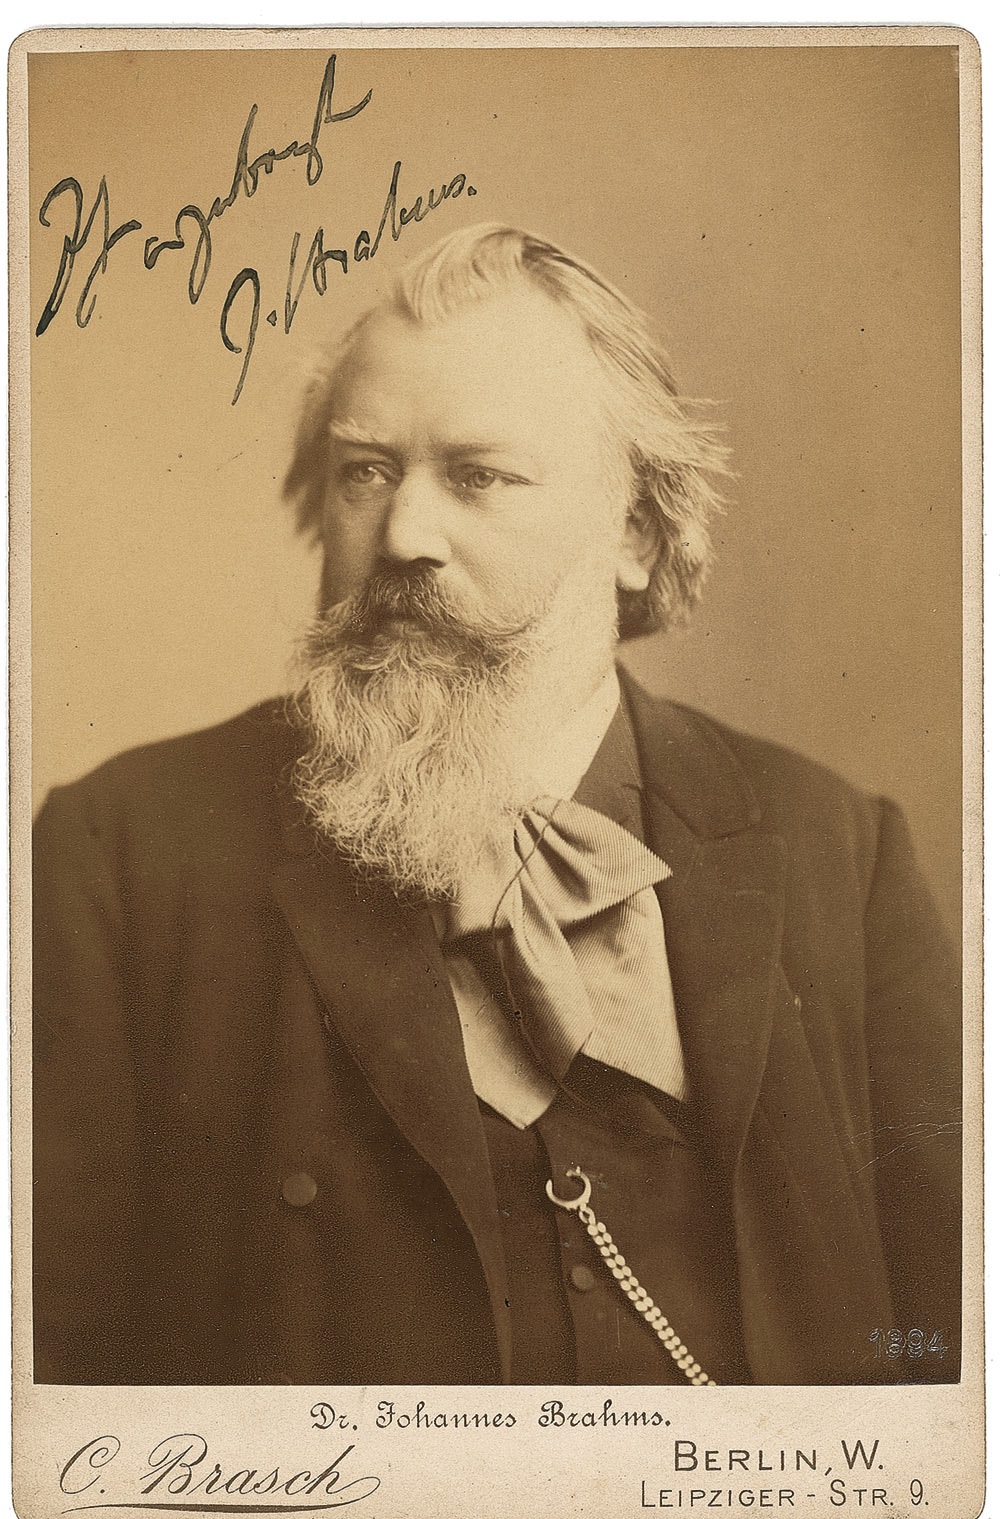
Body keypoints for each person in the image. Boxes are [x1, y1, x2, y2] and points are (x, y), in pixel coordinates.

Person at [32, 223, 961, 1388]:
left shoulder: (839, 850)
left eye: (479, 476)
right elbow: (50, 1392)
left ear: (634, 532)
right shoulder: (123, 853)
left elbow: (957, 1356)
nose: (402, 535)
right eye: (366, 471)